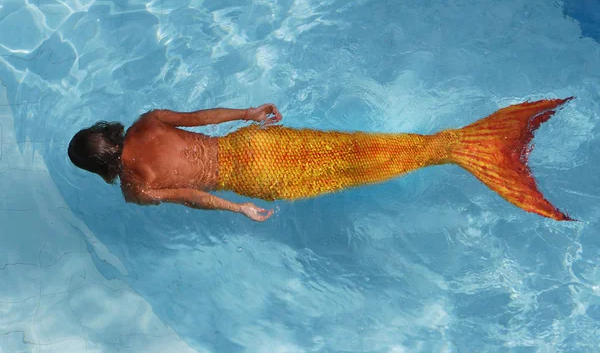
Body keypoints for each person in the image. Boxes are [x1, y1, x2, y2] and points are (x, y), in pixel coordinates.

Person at [68, 99, 574, 222]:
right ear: (104, 132)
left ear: (100, 167)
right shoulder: (148, 120)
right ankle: (460, 142)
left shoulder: (136, 189)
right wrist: (250, 109)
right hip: (250, 144)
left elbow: (194, 196)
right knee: (359, 147)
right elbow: (203, 116)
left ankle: (465, 150)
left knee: (359, 169)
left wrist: (238, 209)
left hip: (251, 174)